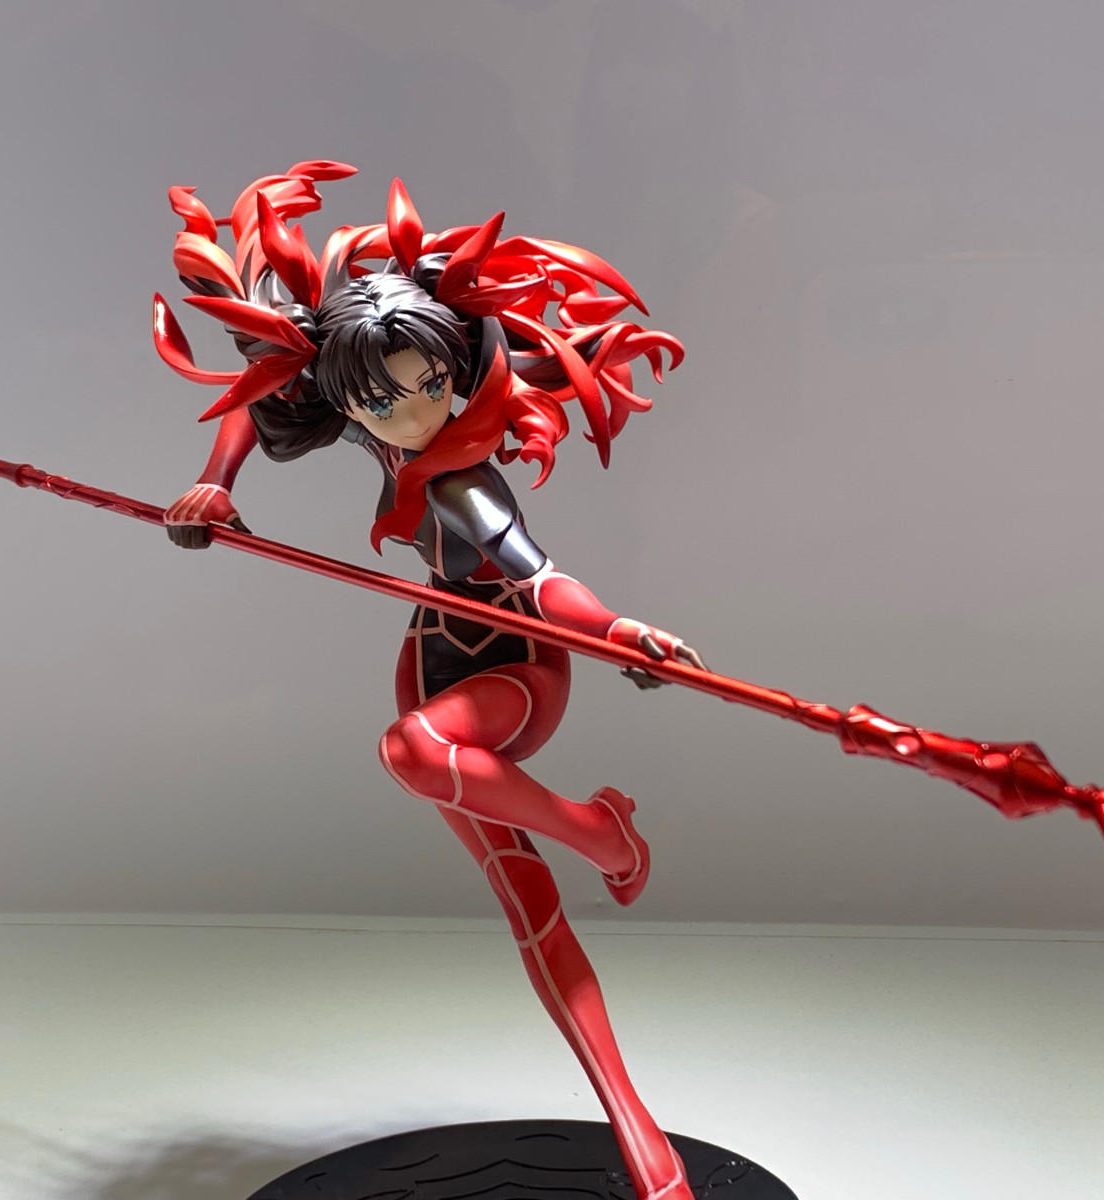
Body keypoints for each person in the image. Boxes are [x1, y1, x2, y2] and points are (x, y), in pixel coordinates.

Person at [154, 160, 699, 1200]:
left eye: (428, 386)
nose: (410, 411)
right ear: (346, 394)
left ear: (456, 365)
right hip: (429, 662)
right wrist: (212, 485)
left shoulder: (466, 480)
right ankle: (642, 1139)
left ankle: (600, 832)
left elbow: (537, 581)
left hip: (515, 671)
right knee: (527, 905)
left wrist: (616, 630)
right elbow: (265, 389)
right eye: (379, 398)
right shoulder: (353, 399)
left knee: (413, 752)